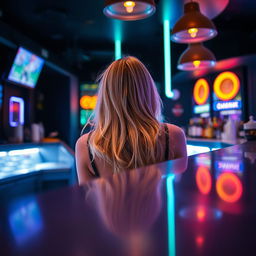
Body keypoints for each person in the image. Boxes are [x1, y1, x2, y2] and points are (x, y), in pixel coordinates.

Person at [76, 56, 187, 184]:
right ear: (149, 91)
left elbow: (87, 201)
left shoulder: (85, 145)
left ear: (105, 96)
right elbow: (178, 191)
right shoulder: (173, 135)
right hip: (160, 205)